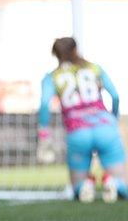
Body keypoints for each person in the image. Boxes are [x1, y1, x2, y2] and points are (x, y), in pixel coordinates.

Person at [37, 37, 127, 203]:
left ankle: (86, 185)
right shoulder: (94, 68)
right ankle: (112, 182)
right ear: (75, 50)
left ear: (56, 55)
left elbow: (44, 105)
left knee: (77, 189)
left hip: (78, 132)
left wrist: (44, 133)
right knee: (123, 184)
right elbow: (115, 95)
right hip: (105, 128)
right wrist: (113, 118)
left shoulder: (52, 77)